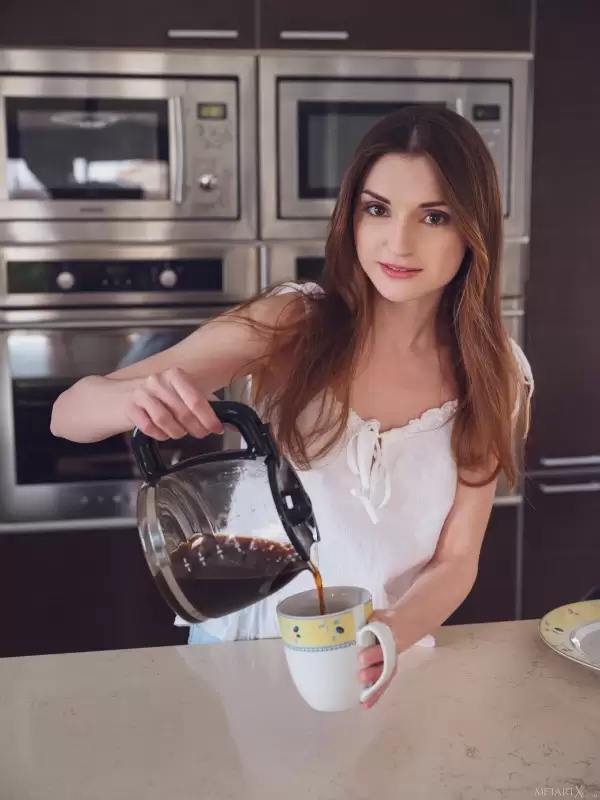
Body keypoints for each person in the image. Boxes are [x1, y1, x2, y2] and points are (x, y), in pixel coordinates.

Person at [51, 106, 533, 709]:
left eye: (434, 217)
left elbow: (457, 559)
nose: (398, 241)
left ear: (473, 230)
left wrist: (394, 630)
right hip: (244, 652)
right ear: (351, 216)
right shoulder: (293, 323)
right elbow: (68, 414)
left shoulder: (496, 373)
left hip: (384, 657)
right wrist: (137, 398)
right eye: (377, 209)